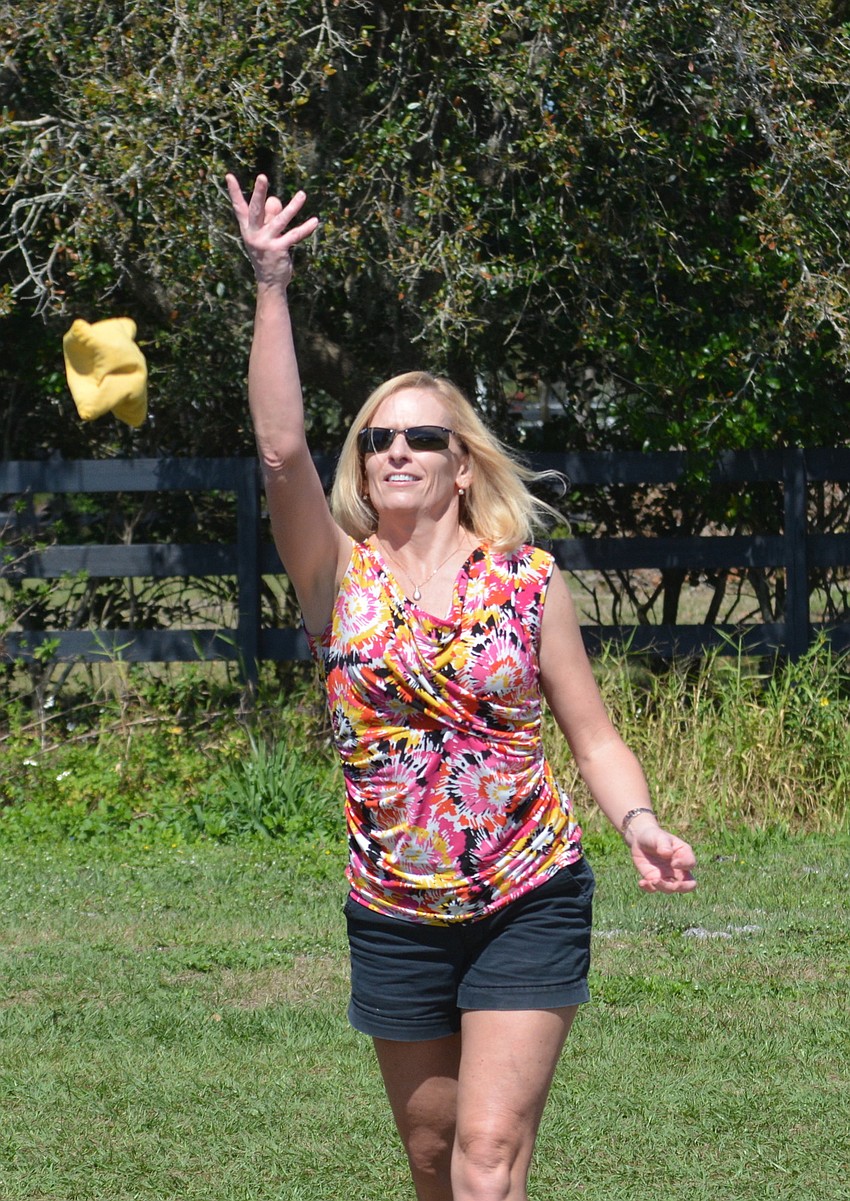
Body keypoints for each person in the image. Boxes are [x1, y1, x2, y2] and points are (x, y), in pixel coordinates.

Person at [226, 173, 697, 1201]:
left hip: (530, 889)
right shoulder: (335, 576)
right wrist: (271, 283)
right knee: (435, 1159)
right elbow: (278, 451)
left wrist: (640, 822)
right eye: (378, 438)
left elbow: (593, 734)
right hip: (394, 906)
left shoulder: (527, 582)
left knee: (487, 1158)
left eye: (422, 437)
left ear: (464, 463)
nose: (397, 450)